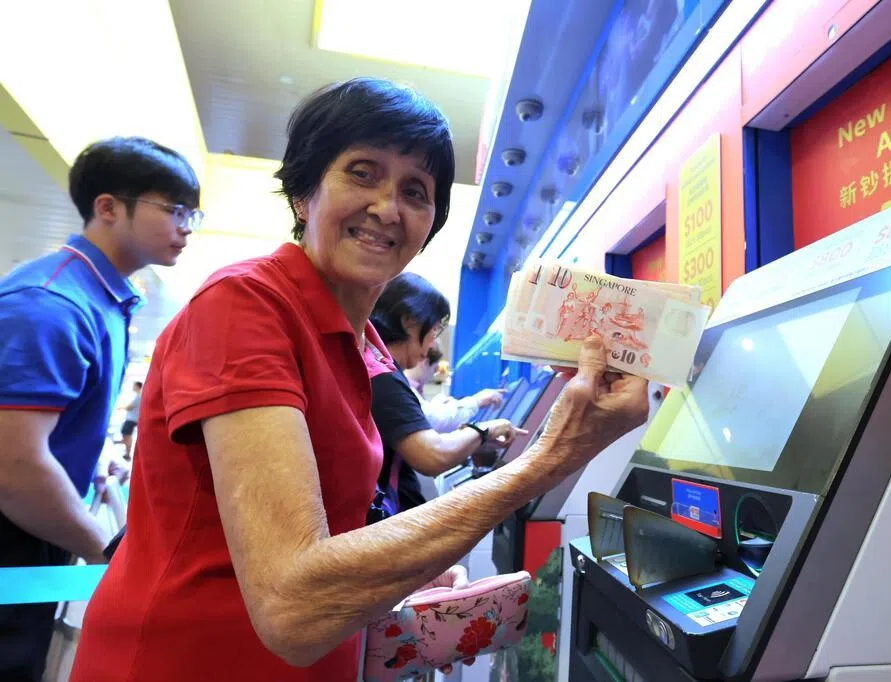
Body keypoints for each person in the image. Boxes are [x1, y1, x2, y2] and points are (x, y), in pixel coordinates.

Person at [70, 77, 647, 682]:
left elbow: (326, 533)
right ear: (304, 193)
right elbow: (291, 604)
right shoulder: (245, 304)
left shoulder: (361, 341)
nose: (388, 208)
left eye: (415, 191)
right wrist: (548, 460)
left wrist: (400, 572)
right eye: (362, 173)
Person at [0, 136, 200, 681]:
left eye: (191, 214)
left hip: (34, 529)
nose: (185, 227)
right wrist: (108, 549)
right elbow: (14, 468)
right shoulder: (50, 303)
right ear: (108, 207)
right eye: (174, 209)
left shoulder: (104, 299)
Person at [368, 272, 524, 513]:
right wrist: (485, 430)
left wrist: (476, 442)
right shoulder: (383, 376)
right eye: (434, 330)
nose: (433, 344)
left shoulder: (380, 367)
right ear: (409, 321)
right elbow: (433, 456)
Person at [406, 346, 505, 433]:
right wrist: (477, 401)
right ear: (425, 362)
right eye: (434, 369)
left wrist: (437, 405)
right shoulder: (405, 390)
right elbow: (435, 421)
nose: (433, 374)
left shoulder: (410, 387)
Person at [119, 381, 143, 459]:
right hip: (132, 419)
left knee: (127, 435)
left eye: (134, 385)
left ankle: (127, 454)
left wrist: (121, 407)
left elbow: (130, 407)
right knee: (125, 435)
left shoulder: (138, 396)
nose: (133, 387)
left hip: (132, 419)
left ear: (137, 386)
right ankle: (126, 451)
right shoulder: (138, 396)